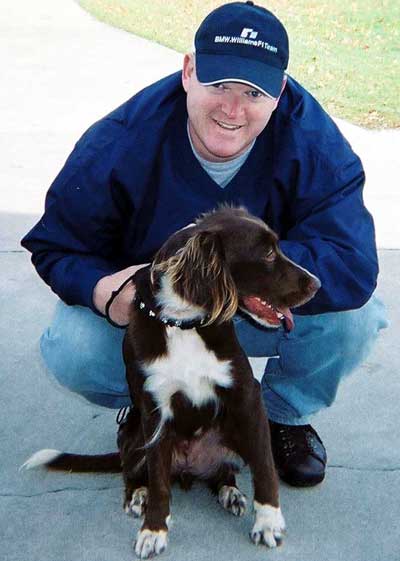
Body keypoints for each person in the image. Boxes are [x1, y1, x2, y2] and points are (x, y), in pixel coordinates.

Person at [21, 1, 387, 487]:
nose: (233, 110)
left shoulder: (316, 145)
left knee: (356, 322)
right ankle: (154, 406)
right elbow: (54, 245)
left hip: (245, 309)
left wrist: (236, 284)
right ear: (189, 71)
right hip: (157, 317)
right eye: (219, 85)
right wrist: (100, 290)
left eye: (253, 92)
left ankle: (282, 416)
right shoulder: (120, 142)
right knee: (73, 347)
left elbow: (353, 266)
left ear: (279, 90)